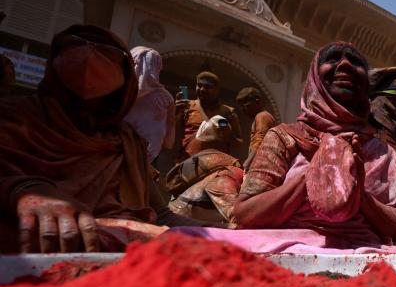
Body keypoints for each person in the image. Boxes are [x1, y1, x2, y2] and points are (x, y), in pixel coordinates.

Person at [173, 42, 396, 253]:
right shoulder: (284, 137)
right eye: (332, 59)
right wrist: (309, 181)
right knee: (179, 241)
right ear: (315, 78)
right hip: (288, 248)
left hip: (365, 253)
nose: (344, 65)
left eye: (354, 62)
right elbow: (246, 213)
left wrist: (360, 197)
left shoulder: (383, 153)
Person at [0, 25, 166, 253]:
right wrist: (22, 189)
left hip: (118, 257)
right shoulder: (13, 118)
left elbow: (162, 212)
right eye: (72, 98)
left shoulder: (128, 141)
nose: (84, 112)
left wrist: (221, 232)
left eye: (100, 99)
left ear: (122, 92)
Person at [123, 46, 175, 162]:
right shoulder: (166, 98)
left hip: (109, 150)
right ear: (156, 68)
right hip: (146, 157)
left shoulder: (120, 89)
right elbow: (169, 138)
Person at [176, 71, 243, 160]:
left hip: (217, 164)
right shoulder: (186, 107)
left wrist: (228, 133)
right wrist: (175, 113)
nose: (202, 89)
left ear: (217, 89)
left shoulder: (228, 112)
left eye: (207, 87)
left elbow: (238, 143)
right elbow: (172, 137)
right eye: (199, 86)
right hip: (190, 161)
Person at [235, 86, 277, 167]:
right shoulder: (261, 116)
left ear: (257, 101)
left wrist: (246, 164)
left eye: (245, 105)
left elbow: (259, 142)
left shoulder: (262, 116)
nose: (243, 109)